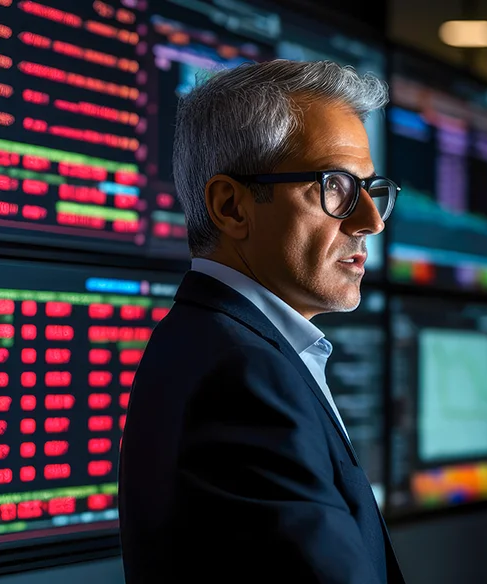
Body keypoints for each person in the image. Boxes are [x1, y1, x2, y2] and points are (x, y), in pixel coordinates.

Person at [118, 59, 404, 583]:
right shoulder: (242, 375)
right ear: (231, 207)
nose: (372, 221)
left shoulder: (210, 344)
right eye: (336, 186)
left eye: (371, 188)